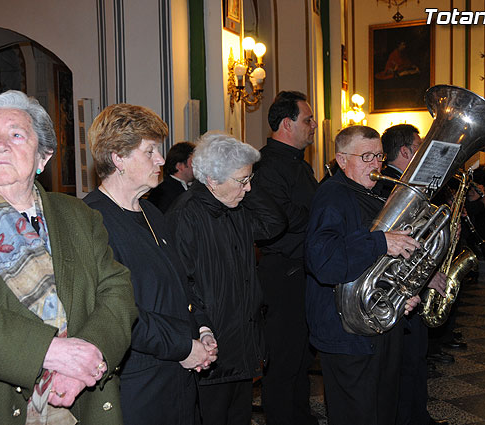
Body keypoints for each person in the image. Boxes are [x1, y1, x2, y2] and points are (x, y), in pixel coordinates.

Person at [0, 90, 137, 424]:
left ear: (43, 157)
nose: (0, 145)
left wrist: (87, 355)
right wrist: (49, 352)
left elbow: (117, 290)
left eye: (16, 134)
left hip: (79, 398)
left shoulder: (76, 213)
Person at [82, 104, 216, 425]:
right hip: (138, 384)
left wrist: (202, 328)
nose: (161, 160)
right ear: (118, 159)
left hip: (178, 375)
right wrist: (184, 347)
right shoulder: (91, 221)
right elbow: (119, 313)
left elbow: (182, 283)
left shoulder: (152, 212)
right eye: (151, 151)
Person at [305, 125, 424, 425]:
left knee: (383, 411)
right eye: (366, 156)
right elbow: (324, 262)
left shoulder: (373, 195)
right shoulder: (331, 197)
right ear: (342, 159)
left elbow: (378, 268)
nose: (375, 165)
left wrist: (401, 296)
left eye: (379, 157)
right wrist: (382, 241)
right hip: (346, 333)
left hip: (376, 327)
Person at [166, 132, 286, 425]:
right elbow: (184, 284)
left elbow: (275, 223)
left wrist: (245, 181)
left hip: (241, 343)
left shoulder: (235, 206)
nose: (247, 189)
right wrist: (203, 331)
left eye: (249, 180)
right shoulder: (186, 215)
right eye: (242, 181)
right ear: (212, 180)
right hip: (211, 349)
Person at [373, 124, 449, 425]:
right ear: (405, 151)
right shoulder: (392, 186)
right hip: (399, 288)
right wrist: (428, 274)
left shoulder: (405, 185)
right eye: (419, 147)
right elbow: (400, 242)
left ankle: (418, 416)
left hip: (409, 286)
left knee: (415, 358)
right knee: (407, 361)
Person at [253, 91, 318, 425]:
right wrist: (321, 217)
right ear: (285, 124)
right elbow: (282, 219)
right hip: (283, 274)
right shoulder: (265, 165)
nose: (314, 126)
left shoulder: (301, 165)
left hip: (305, 271)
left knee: (301, 358)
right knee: (281, 363)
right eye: (307, 119)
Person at [147, 141, 196, 212]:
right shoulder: (164, 192)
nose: (196, 167)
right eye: (193, 163)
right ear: (179, 166)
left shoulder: (184, 188)